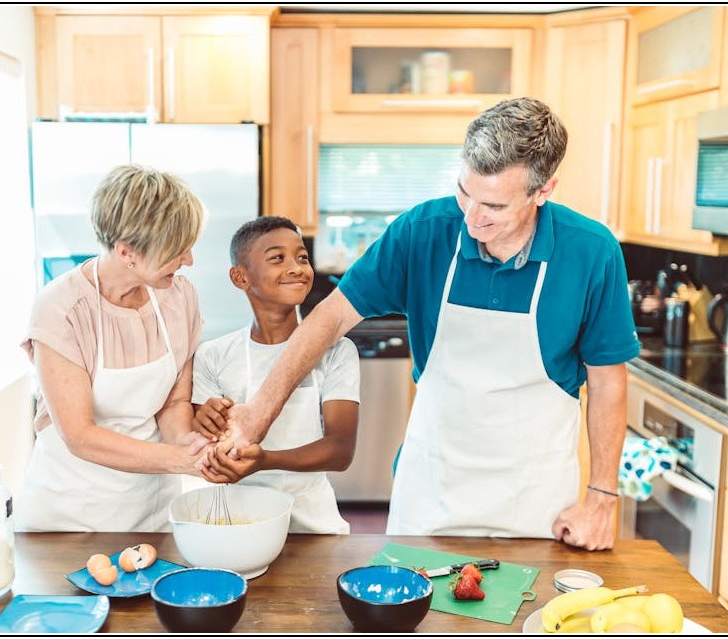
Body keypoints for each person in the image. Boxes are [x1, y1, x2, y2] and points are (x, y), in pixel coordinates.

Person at [223, 97, 640, 550]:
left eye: (494, 206)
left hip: (534, 497)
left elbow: (606, 381)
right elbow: (331, 316)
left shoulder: (592, 252)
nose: (472, 218)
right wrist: (257, 412)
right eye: (465, 192)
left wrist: (602, 498)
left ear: (543, 191)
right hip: (432, 487)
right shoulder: (422, 231)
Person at [15, 165, 211, 532]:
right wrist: (177, 458)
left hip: (151, 514)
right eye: (177, 250)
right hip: (70, 518)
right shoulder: (62, 309)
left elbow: (173, 403)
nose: (189, 261)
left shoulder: (179, 297)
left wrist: (191, 446)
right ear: (126, 252)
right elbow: (80, 435)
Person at [190, 216, 359, 534]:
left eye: (302, 257)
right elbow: (206, 446)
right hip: (236, 524)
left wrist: (266, 459)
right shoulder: (213, 355)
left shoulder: (337, 351)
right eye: (277, 258)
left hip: (314, 526)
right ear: (240, 278)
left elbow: (340, 451)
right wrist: (203, 421)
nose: (297, 267)